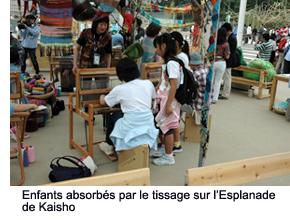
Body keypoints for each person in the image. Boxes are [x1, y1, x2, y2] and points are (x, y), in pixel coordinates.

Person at [99, 57, 158, 154]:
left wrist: (102, 95)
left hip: (130, 127)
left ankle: (109, 146)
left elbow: (103, 102)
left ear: (119, 74)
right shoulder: (148, 83)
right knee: (124, 116)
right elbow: (152, 98)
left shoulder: (119, 89)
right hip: (148, 125)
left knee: (114, 116)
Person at [152, 33, 182, 165]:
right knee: (161, 126)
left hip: (168, 100)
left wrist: (169, 105)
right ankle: (165, 149)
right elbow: (165, 80)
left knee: (168, 128)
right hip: (163, 98)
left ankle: (169, 156)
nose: (156, 51)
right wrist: (156, 89)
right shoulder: (168, 62)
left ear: (163, 46)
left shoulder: (172, 63)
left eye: (157, 48)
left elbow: (174, 84)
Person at [170, 31, 190, 153]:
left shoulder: (180, 57)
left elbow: (176, 80)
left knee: (174, 119)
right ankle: (175, 142)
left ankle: (174, 143)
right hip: (180, 90)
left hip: (180, 91)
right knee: (175, 119)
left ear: (175, 43)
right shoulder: (181, 55)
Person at [219, 23, 240, 100]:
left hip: (229, 61)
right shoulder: (231, 37)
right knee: (226, 77)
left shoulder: (232, 38)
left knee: (227, 77)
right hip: (229, 60)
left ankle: (226, 94)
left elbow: (231, 51)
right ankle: (225, 92)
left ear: (227, 30)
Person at [212, 27, 230, 103]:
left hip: (213, 62)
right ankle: (215, 98)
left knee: (211, 80)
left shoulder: (213, 42)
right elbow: (227, 56)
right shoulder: (226, 44)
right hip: (221, 62)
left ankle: (208, 96)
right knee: (218, 81)